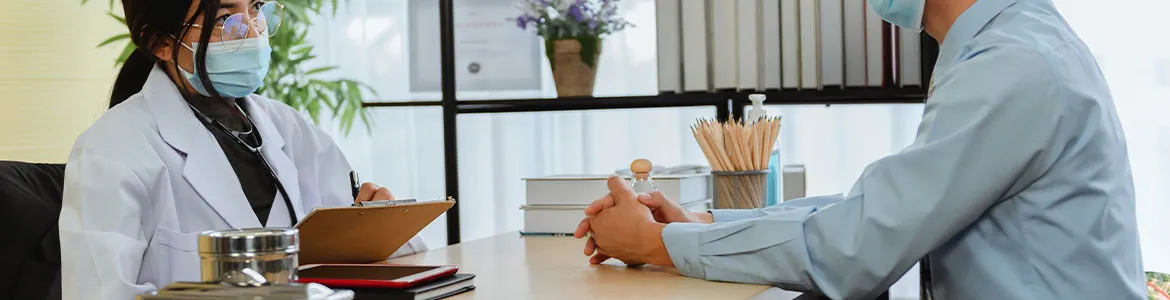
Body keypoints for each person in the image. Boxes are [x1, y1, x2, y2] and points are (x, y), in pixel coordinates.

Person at [574, 0, 1146, 298]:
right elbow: (879, 208)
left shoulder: (1009, 66)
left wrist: (661, 245)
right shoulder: (1012, 45)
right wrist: (699, 222)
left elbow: (857, 248)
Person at [57, 1, 427, 299]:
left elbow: (374, 261)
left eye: (255, 9)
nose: (251, 32)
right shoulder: (111, 148)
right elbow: (99, 292)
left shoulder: (287, 127)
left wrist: (376, 222)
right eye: (224, 18)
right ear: (160, 42)